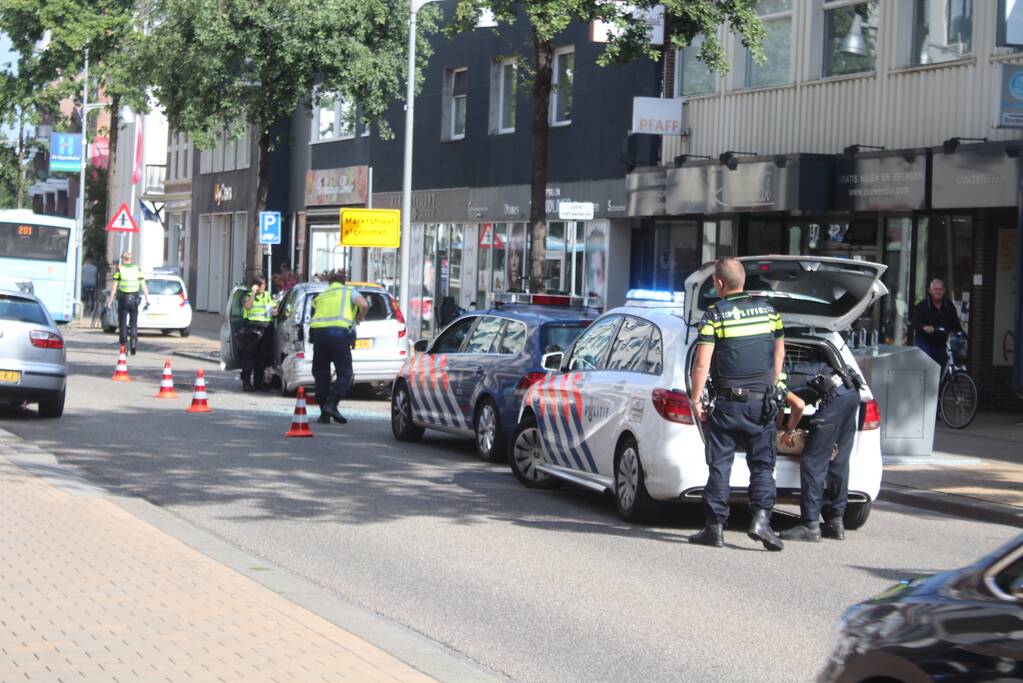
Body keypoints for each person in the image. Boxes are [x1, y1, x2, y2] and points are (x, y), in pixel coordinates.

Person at [688, 257, 786, 551]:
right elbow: (779, 355)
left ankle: (714, 528)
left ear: (719, 283)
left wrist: (695, 399)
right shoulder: (770, 313)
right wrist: (774, 388)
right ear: (743, 281)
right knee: (762, 465)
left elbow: (701, 363)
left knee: (720, 465)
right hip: (761, 404)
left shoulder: (714, 315)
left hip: (728, 404)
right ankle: (761, 520)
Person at [780, 362, 862, 542]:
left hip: (835, 399)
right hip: (852, 393)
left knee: (812, 462)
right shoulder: (790, 370)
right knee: (838, 460)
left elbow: (798, 405)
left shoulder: (774, 379)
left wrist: (789, 430)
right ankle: (835, 522)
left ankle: (810, 526)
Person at [309, 270, 368, 425]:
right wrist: (360, 317)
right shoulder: (348, 291)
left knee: (321, 373)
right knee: (345, 373)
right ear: (344, 282)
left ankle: (324, 413)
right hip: (338, 334)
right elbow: (364, 304)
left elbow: (313, 315)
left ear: (329, 283)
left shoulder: (321, 296)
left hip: (319, 336)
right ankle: (331, 404)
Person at [913, 278, 965, 371]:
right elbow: (916, 322)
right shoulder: (923, 306)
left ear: (944, 291)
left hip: (941, 343)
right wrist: (924, 327)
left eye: (940, 289)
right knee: (927, 362)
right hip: (925, 341)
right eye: (936, 289)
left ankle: (942, 384)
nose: (938, 292)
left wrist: (961, 332)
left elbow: (955, 322)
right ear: (930, 291)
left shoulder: (949, 306)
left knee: (944, 363)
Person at [107, 251, 149, 355]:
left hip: (123, 300)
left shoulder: (120, 270)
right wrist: (147, 299)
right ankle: (133, 342)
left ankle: (124, 346)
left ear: (122, 259)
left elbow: (114, 287)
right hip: (134, 299)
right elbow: (143, 285)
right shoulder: (137, 269)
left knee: (123, 323)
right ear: (130, 259)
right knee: (133, 322)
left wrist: (110, 300)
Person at [239, 277, 275, 392]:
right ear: (254, 286)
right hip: (252, 329)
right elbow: (248, 306)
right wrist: (253, 293)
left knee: (262, 358)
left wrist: (275, 311)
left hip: (265, 329)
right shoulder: (248, 296)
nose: (262, 286)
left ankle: (258, 383)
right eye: (259, 284)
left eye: (263, 284)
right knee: (249, 358)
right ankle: (246, 383)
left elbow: (272, 309)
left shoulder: (268, 296)